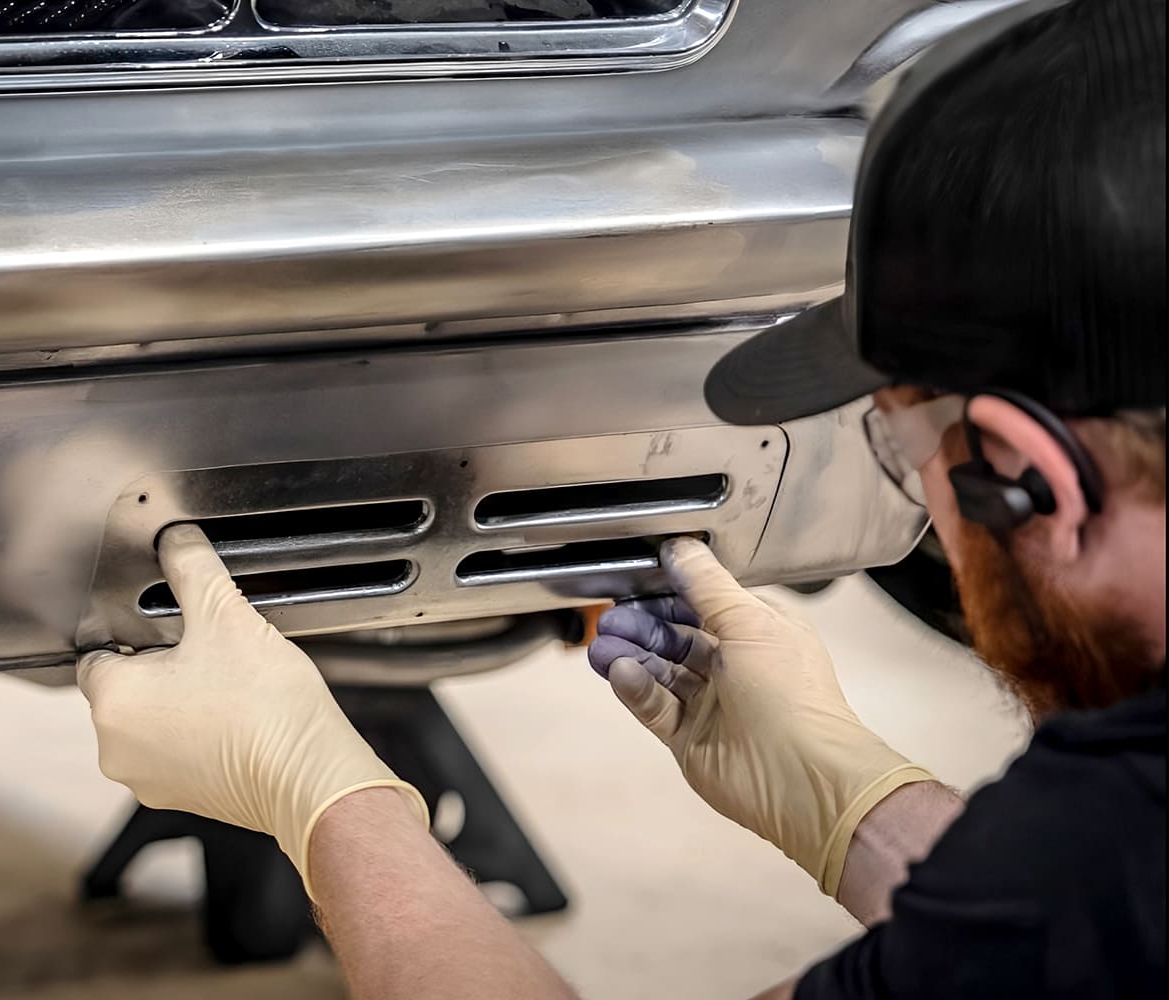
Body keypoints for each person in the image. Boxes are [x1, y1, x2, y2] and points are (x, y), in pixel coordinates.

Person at [76, 0, 1165, 995]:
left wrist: (327, 803)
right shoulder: (1107, 848)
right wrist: (851, 803)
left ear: (1029, 476)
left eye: (899, 440)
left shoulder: (1104, 823)